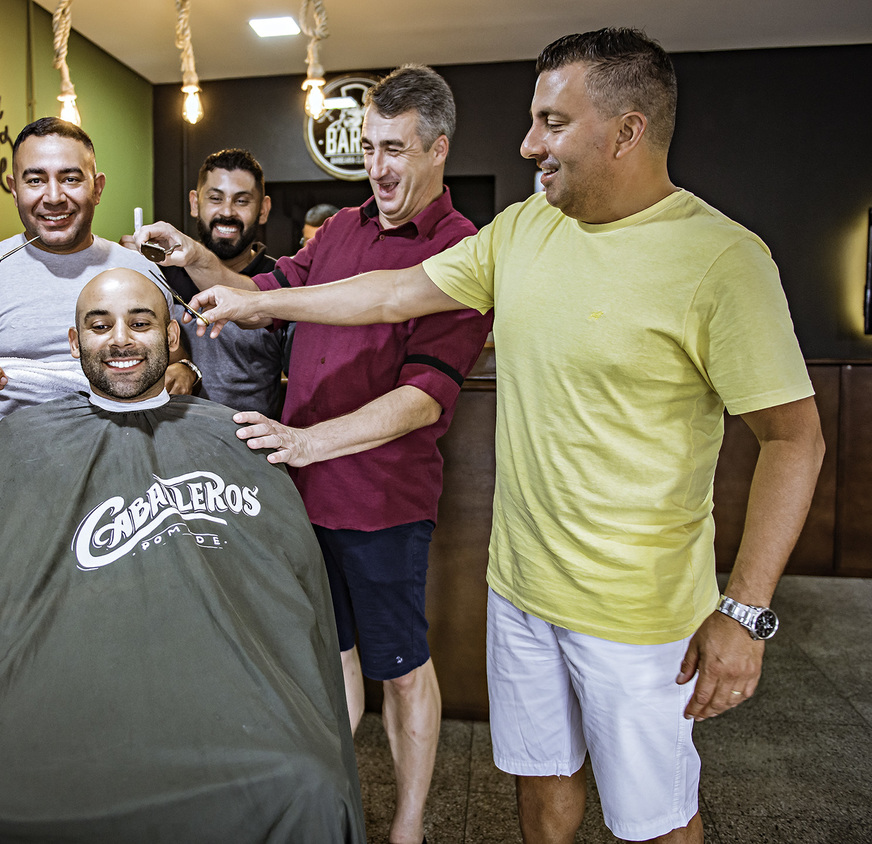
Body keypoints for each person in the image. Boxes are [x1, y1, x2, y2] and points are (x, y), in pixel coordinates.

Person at [185, 28, 826, 844]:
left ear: (627, 131)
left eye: (552, 123)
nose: (528, 144)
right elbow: (390, 294)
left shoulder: (723, 258)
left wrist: (746, 610)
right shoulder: (523, 229)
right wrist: (258, 301)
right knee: (540, 787)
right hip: (519, 590)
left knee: (656, 820)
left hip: (637, 615)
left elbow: (795, 441)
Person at [0, 269, 366, 843]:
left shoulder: (235, 438)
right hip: (58, 682)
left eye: (140, 323)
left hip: (214, 687)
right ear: (75, 343)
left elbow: (284, 590)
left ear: (172, 337)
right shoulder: (21, 443)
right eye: (100, 326)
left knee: (309, 782)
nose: (120, 339)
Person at [138, 65, 492, 844]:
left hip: (383, 503)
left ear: (438, 149)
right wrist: (191, 255)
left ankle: (408, 828)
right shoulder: (341, 230)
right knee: (332, 660)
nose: (378, 167)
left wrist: (307, 442)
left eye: (395, 149)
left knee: (402, 668)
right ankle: (332, 810)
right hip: (302, 498)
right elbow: (261, 293)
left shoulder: (461, 251)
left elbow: (424, 399)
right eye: (369, 148)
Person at [0, 117, 197, 437]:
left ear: (97, 188)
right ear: (14, 189)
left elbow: (174, 362)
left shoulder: (141, 271)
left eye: (70, 179)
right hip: (16, 458)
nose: (54, 197)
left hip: (129, 451)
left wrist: (185, 370)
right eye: (35, 180)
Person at [126, 148, 287, 418]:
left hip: (251, 440)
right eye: (215, 198)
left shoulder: (280, 282)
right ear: (194, 203)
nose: (227, 212)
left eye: (242, 201)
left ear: (263, 209)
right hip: (167, 434)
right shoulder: (160, 275)